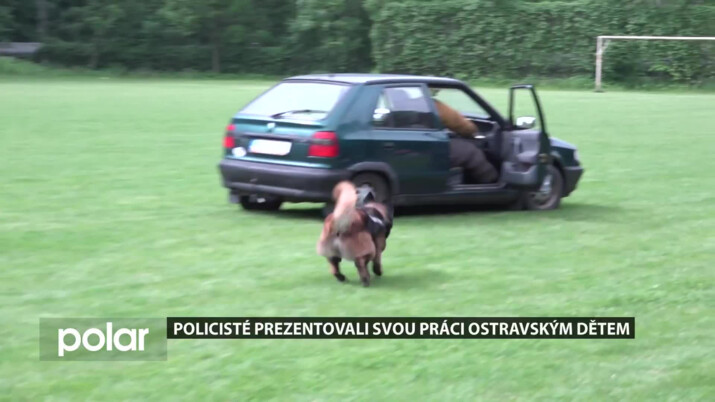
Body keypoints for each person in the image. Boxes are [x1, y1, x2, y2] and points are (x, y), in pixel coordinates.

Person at [432, 97, 499, 184]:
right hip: (425, 149)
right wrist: (471, 133)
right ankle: (492, 183)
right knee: (469, 151)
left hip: (416, 147)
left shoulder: (416, 101)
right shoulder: (430, 103)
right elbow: (462, 126)